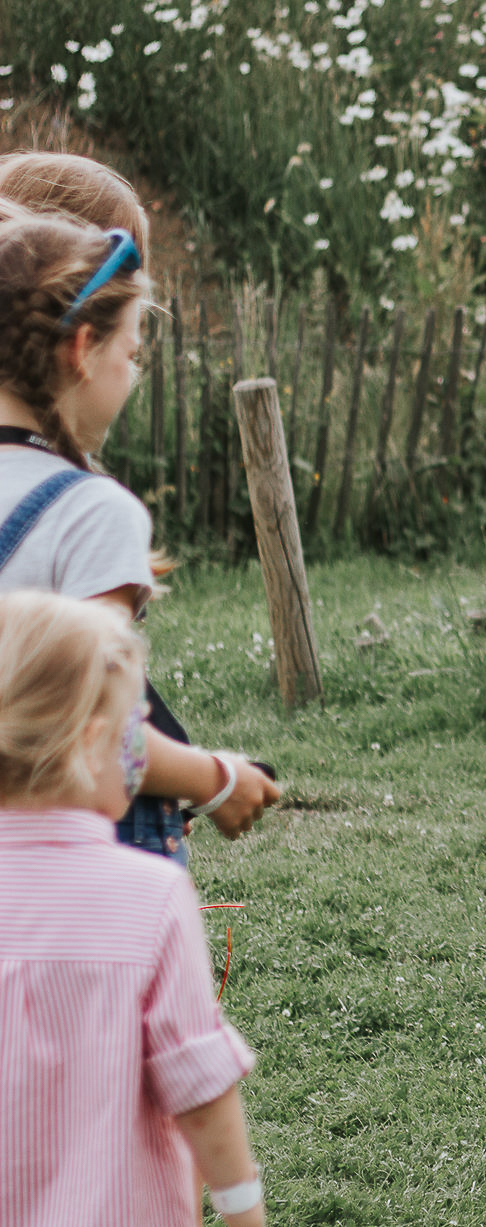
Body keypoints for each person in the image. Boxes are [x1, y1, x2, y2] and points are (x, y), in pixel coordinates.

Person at [0, 194, 280, 865]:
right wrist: (219, 779)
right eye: (132, 352)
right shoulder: (91, 511)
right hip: (65, 867)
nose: (133, 375)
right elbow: (99, 731)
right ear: (82, 348)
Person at [0, 589, 266, 1227]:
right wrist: (242, 1210)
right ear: (92, 742)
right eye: (133, 736)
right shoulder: (149, 897)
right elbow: (198, 1088)